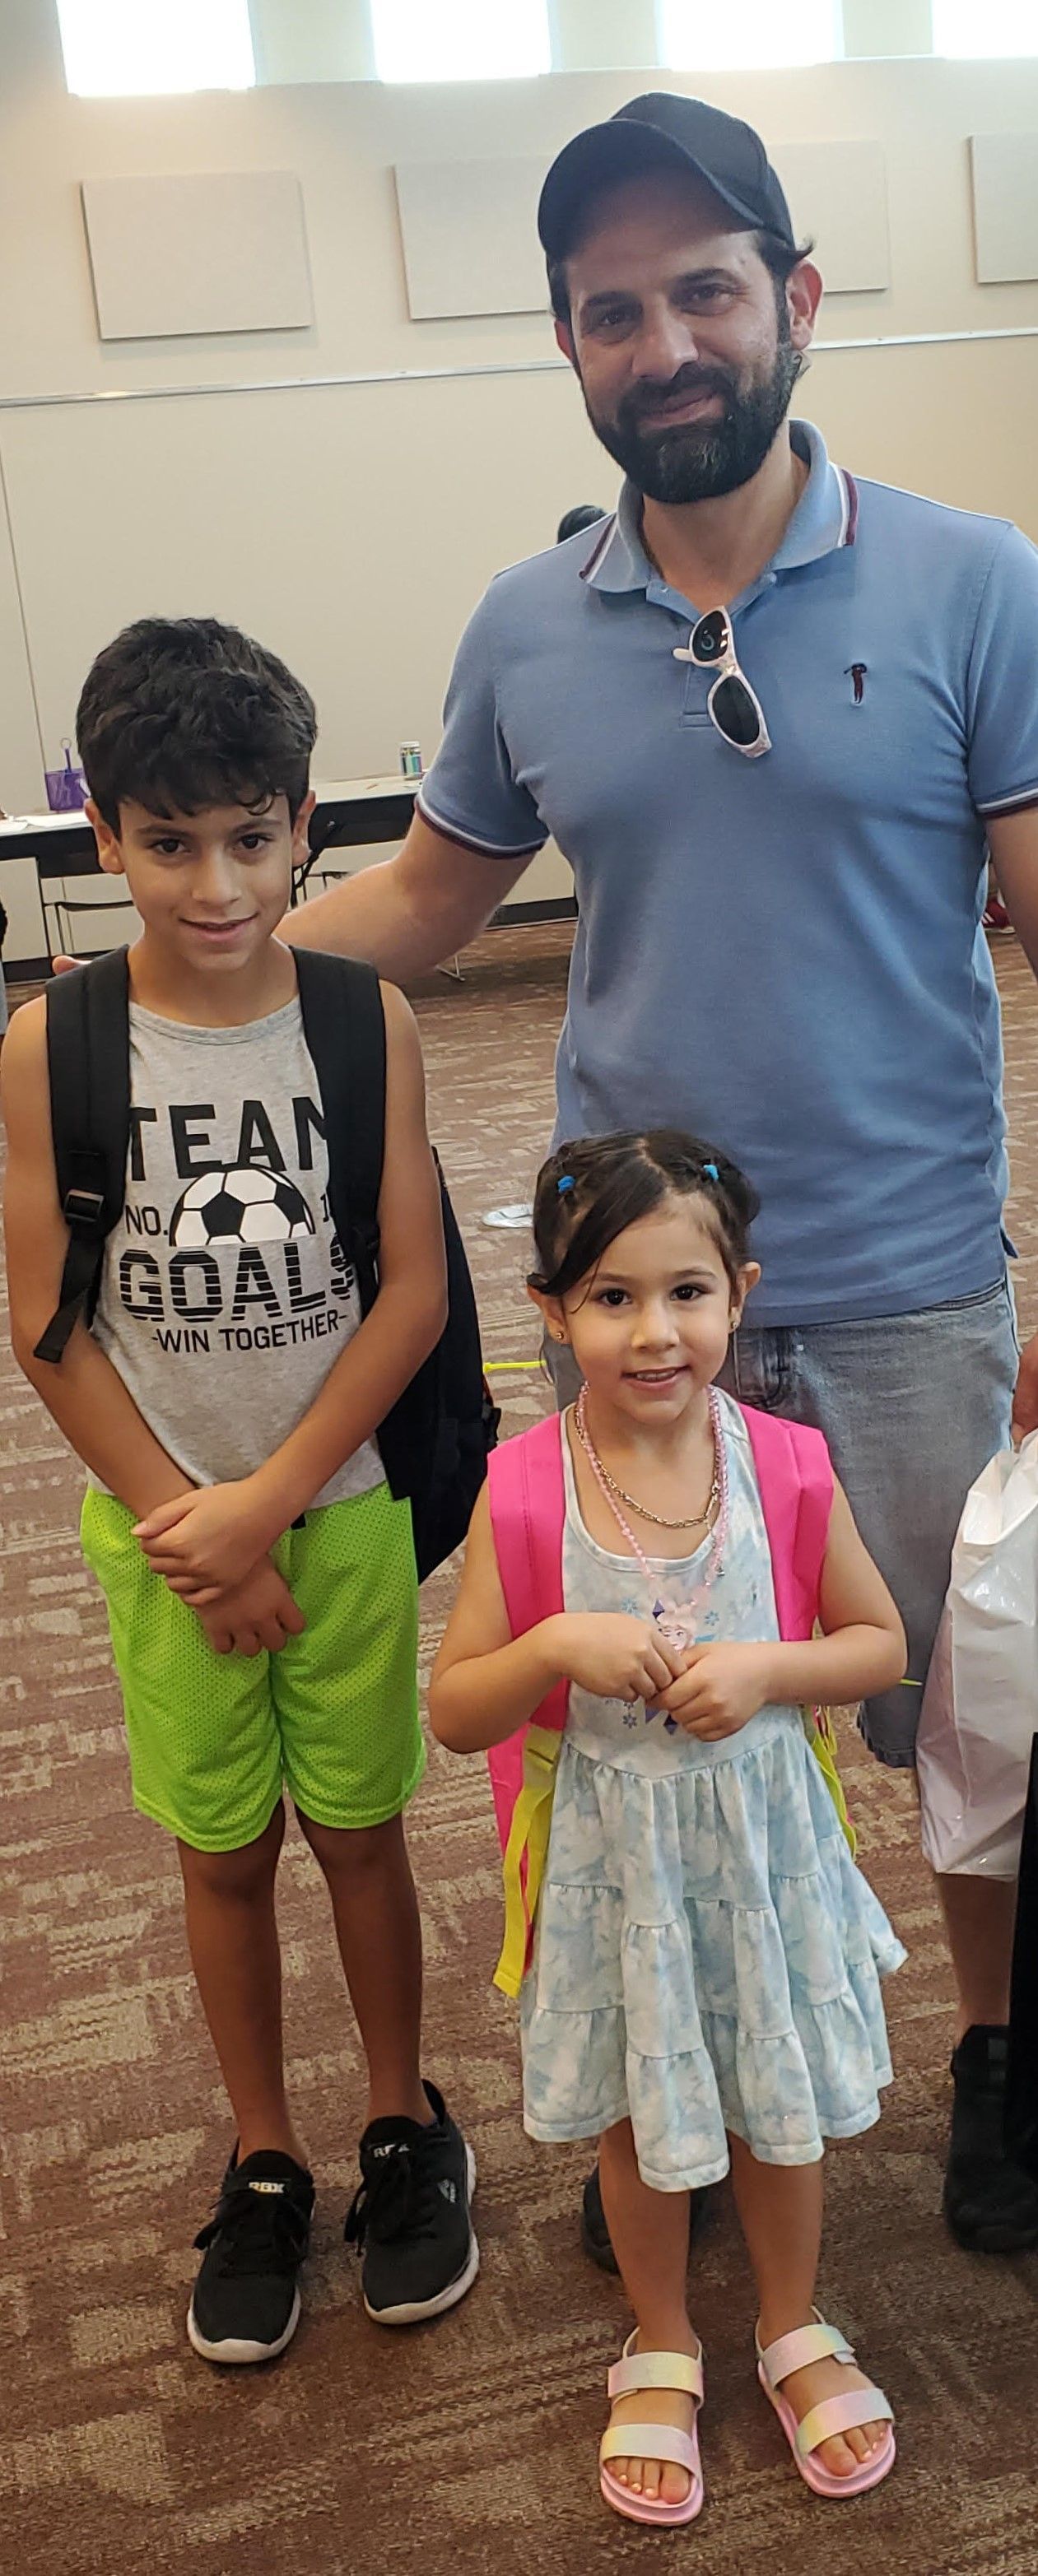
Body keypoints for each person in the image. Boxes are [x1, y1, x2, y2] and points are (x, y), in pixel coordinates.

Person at [284, 90, 1038, 2256]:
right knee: (640, 1714)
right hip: (633, 1310)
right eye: (612, 311)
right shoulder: (524, 626)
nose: (664, 341)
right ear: (572, 348)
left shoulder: (973, 585)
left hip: (902, 1288)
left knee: (959, 1718)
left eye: (703, 291)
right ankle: (695, 2070)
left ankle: (990, 2057)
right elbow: (427, 906)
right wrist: (182, 971)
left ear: (789, 302)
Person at [2, 616, 477, 2365]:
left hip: (333, 1506)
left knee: (360, 1831)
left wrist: (271, 1498)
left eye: (254, 835)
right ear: (105, 836)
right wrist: (181, 1523)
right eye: (170, 838)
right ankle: (263, 2149)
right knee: (223, 1848)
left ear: (303, 831)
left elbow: (411, 1289)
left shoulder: (369, 1022)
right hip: (164, 1535)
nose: (218, 879)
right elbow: (47, 1317)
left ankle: (394, 2116)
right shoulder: (53, 1044)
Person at [430, 1131, 905, 2523]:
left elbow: (875, 1642)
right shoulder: (524, 1486)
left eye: (686, 1291)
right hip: (611, 1869)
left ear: (740, 1292)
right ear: (552, 1311)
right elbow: (455, 1710)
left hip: (763, 1864)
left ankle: (790, 2321)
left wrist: (769, 1666)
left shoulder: (787, 1464)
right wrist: (551, 1647)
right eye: (611, 1297)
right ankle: (659, 2335)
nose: (654, 1331)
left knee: (778, 2110)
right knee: (637, 2116)